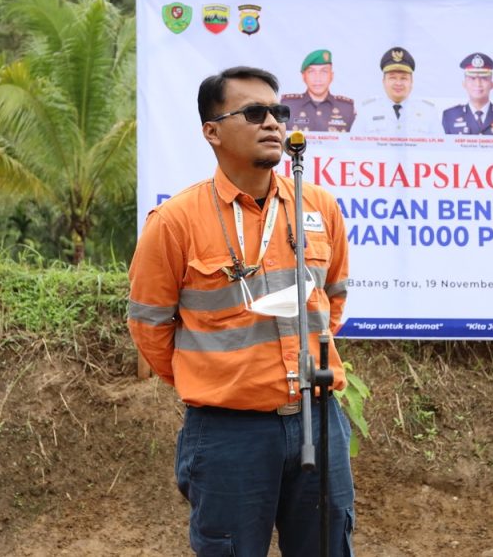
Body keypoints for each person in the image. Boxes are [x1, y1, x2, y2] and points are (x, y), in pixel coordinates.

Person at [127, 66, 355, 556]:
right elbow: (149, 326)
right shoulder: (175, 222)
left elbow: (332, 303)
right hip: (230, 432)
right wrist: (216, 378)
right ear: (212, 131)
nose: (272, 122)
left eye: (278, 112)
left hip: (320, 419)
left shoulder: (319, 206)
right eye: (254, 113)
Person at [353, 46, 438, 134]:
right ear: (384, 81)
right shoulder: (367, 111)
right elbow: (353, 146)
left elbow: (441, 146)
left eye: (404, 78)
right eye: (392, 78)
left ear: (411, 82)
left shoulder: (428, 112)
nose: (398, 83)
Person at [441, 52, 493, 135]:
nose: (478, 84)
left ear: (492, 84)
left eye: (484, 78)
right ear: (464, 84)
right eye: (472, 78)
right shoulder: (450, 116)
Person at [281, 49, 356, 132]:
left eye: (324, 71)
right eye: (311, 72)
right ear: (303, 76)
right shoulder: (288, 106)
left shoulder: (346, 108)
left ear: (332, 76)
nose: (318, 78)